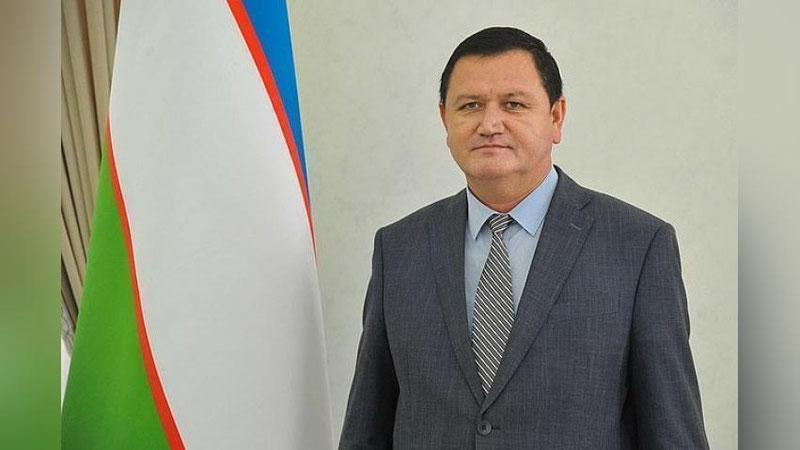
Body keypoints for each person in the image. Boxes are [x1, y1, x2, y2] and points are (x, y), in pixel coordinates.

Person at [339, 27, 709, 449]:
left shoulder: (637, 246)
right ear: (445, 119)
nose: (489, 124)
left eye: (513, 104)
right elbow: (366, 429)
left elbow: (673, 433)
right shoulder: (399, 249)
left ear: (556, 117)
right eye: (470, 105)